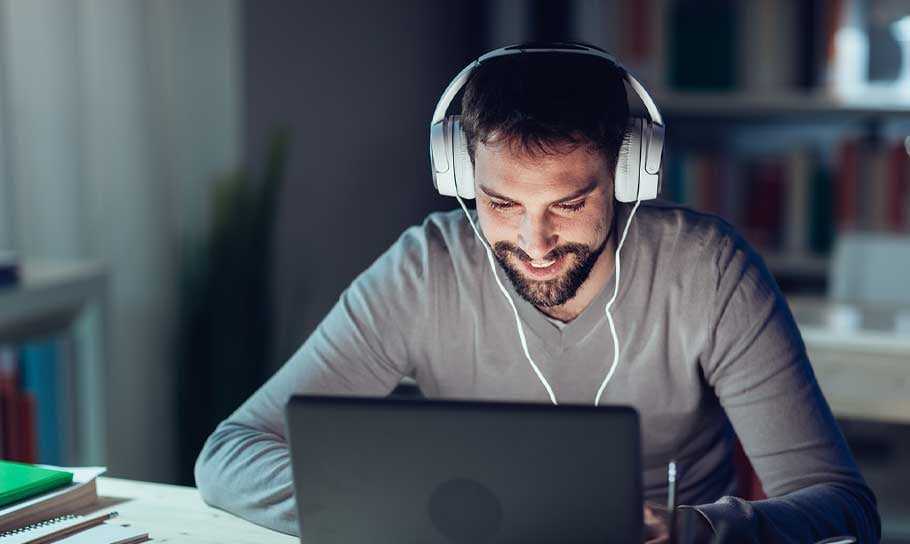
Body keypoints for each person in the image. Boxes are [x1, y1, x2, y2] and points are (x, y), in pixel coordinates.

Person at [194, 44, 881, 543]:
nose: (535, 242)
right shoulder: (424, 269)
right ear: (460, 176)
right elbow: (230, 454)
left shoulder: (710, 271)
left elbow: (844, 507)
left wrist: (694, 531)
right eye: (500, 203)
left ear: (628, 175)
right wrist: (390, 511)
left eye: (569, 203)